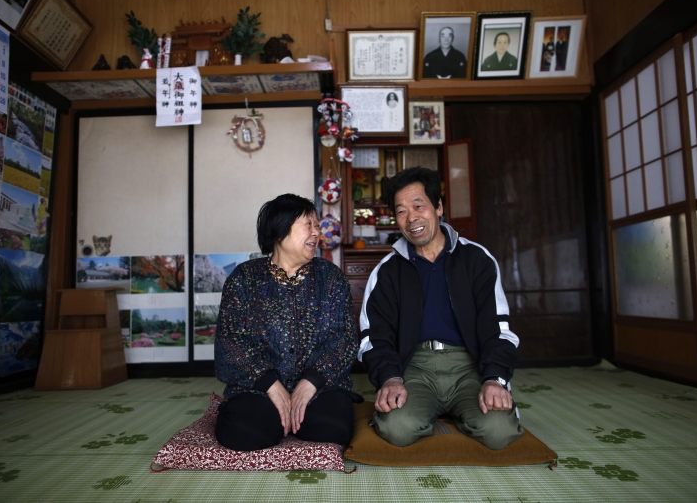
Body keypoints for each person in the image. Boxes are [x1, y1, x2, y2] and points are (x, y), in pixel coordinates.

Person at [358, 167, 523, 450]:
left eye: (418, 206)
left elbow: (499, 329)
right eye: (400, 211)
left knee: (499, 432)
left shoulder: (476, 259)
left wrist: (494, 379)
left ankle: (465, 408)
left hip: (469, 366)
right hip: (414, 368)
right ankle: (430, 410)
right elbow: (374, 336)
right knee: (398, 428)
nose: (411, 218)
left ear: (438, 207)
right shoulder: (387, 271)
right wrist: (390, 378)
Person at [214, 193, 360, 451]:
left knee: (334, 427)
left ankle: (291, 417)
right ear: (280, 230)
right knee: (243, 432)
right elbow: (230, 341)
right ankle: (274, 416)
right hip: (259, 389)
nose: (317, 232)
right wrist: (270, 384)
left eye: (318, 225)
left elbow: (345, 338)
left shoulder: (331, 278)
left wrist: (310, 383)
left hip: (320, 388)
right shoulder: (244, 279)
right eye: (309, 224)